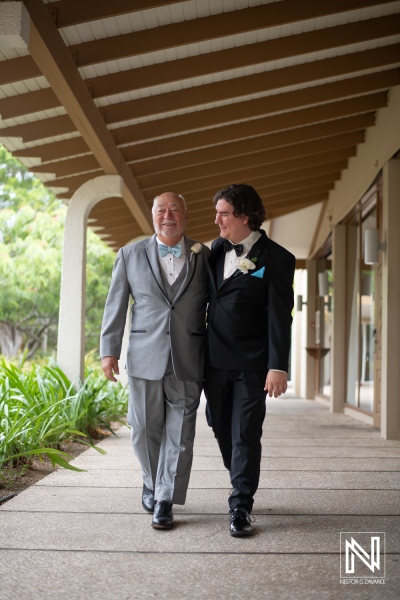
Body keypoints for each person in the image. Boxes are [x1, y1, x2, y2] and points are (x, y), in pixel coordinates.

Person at [100, 192, 210, 530]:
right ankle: (150, 480)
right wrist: (109, 350)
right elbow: (116, 303)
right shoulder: (130, 254)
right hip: (144, 355)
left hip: (189, 357)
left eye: (175, 208)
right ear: (152, 216)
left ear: (186, 215)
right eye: (161, 210)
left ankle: (164, 498)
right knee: (144, 428)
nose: (168, 215)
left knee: (180, 433)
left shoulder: (205, 256)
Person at [204, 183, 295, 537]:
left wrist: (278, 365)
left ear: (244, 216)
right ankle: (240, 475)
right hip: (214, 359)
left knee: (245, 432)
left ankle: (240, 504)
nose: (217, 221)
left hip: (253, 362)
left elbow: (279, 316)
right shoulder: (216, 249)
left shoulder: (278, 258)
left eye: (224, 214)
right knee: (217, 421)